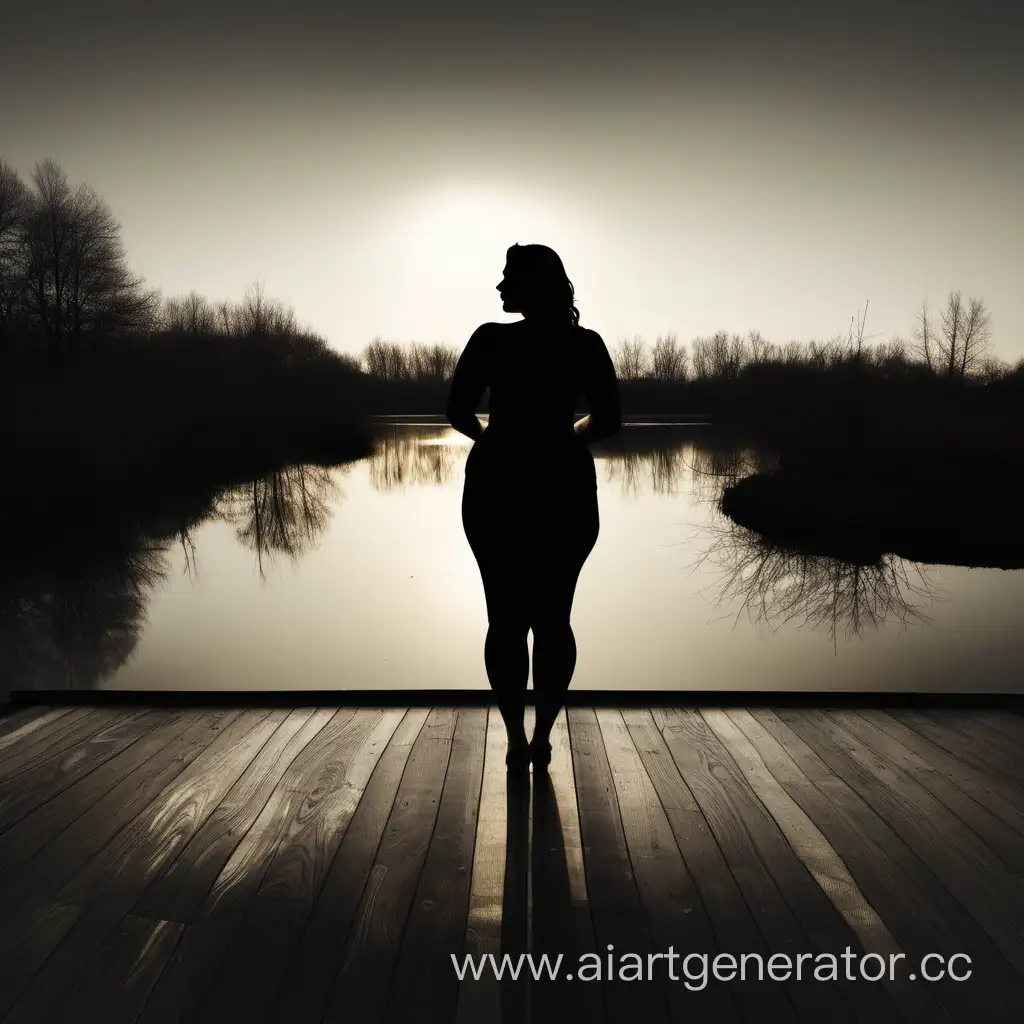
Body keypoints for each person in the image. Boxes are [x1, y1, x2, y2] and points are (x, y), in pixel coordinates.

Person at [446, 243, 621, 772]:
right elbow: (608, 420)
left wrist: (493, 439)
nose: (500, 287)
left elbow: (458, 413)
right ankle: (543, 736)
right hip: (563, 488)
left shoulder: (490, 340)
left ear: (534, 285)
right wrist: (567, 435)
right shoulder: (585, 344)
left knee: (504, 620)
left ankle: (516, 740)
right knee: (553, 618)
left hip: (497, 487)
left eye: (508, 278)